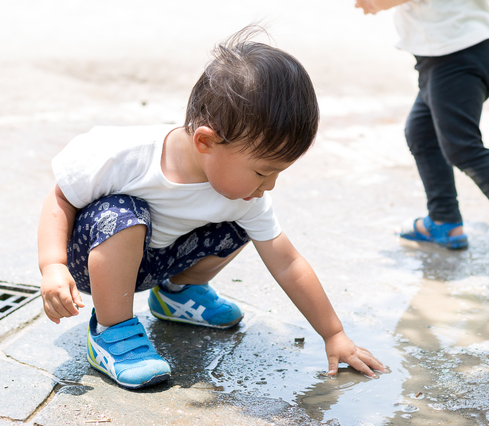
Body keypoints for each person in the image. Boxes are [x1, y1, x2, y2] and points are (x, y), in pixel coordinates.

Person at [37, 27, 385, 390]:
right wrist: (52, 267)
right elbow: (60, 198)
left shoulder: (242, 191)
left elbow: (287, 262)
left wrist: (334, 334)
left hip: (157, 259)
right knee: (125, 213)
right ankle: (112, 333)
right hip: (93, 260)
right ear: (206, 140)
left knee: (243, 220)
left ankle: (178, 294)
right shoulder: (123, 157)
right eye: (263, 171)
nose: (270, 185)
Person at [355, 0, 489, 281]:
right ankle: (444, 220)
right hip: (442, 57)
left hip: (458, 55)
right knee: (421, 134)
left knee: (463, 147)